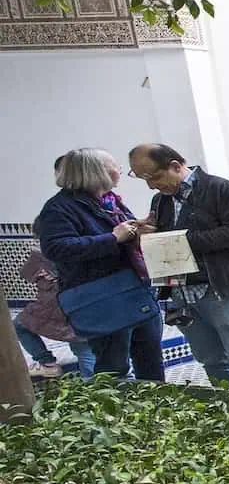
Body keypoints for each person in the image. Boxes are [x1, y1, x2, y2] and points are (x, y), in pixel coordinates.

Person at [130, 142, 229, 390]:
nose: (151, 185)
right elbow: (167, 242)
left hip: (224, 288)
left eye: (154, 177)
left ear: (175, 166)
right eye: (143, 179)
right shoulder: (161, 200)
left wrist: (183, 240)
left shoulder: (219, 188)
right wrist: (151, 235)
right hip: (183, 292)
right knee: (210, 359)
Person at [34, 148, 163, 381]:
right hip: (103, 300)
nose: (120, 170)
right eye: (115, 166)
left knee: (151, 362)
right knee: (113, 368)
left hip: (135, 292)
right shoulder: (59, 208)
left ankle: (159, 404)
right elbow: (57, 249)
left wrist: (137, 229)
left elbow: (121, 235)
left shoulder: (110, 202)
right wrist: (112, 238)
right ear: (97, 172)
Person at [14, 247, 93, 379]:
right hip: (84, 304)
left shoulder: (44, 252)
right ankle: (94, 385)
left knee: (20, 324)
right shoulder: (88, 246)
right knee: (83, 346)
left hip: (56, 307)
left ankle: (48, 364)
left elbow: (25, 274)